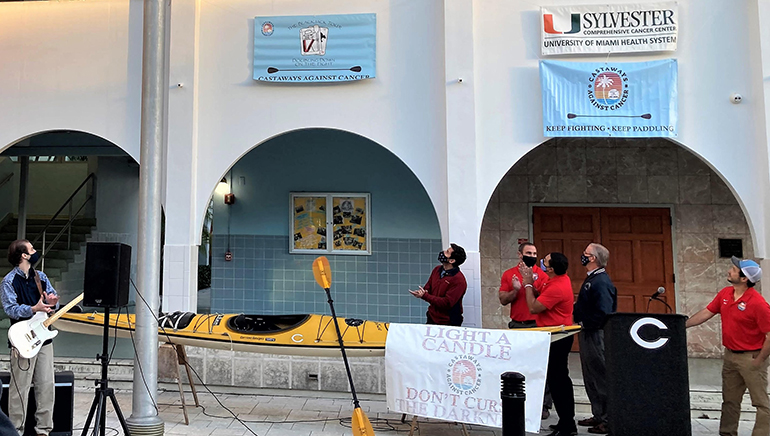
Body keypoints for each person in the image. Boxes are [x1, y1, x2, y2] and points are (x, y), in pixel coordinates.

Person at [686, 256, 770, 436]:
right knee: (730, 400)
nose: (729, 271)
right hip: (730, 356)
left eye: (733, 269)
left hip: (752, 357)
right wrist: (683, 325)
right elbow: (707, 312)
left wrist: (760, 360)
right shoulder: (725, 294)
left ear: (744, 278)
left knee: (760, 402)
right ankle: (727, 433)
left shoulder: (757, 303)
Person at [1, 240, 59, 436]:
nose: (35, 252)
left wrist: (52, 302)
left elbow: (51, 300)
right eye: (32, 249)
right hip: (22, 340)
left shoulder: (40, 276)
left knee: (46, 385)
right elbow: (10, 309)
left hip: (44, 339)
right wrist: (34, 308)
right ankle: (15, 430)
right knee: (20, 388)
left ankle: (44, 430)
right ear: (24, 255)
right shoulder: (9, 281)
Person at [521, 252, 576, 436]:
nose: (542, 262)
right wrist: (530, 282)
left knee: (559, 380)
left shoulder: (558, 286)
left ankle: (568, 425)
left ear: (551, 268)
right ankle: (565, 421)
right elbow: (539, 290)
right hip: (551, 335)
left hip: (559, 337)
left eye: (545, 261)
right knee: (555, 380)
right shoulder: (551, 280)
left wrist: (528, 283)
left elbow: (533, 307)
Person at [499, 241, 552, 418]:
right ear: (520, 255)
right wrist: (515, 290)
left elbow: (545, 299)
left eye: (535, 253)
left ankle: (543, 404)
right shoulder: (509, 274)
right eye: (528, 253)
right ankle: (517, 399)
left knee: (540, 366)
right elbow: (503, 299)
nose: (532, 256)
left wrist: (530, 284)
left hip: (537, 325)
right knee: (517, 364)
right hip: (517, 325)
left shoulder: (543, 275)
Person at [572, 243, 616, 435]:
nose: (583, 256)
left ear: (594, 259)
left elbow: (603, 312)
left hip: (595, 333)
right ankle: (598, 413)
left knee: (600, 375)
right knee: (590, 376)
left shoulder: (601, 282)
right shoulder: (593, 279)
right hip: (587, 331)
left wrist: (586, 323)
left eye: (586, 254)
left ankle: (607, 418)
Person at [410, 243, 467, 326]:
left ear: (451, 261)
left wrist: (425, 296)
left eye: (447, 252)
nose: (443, 252)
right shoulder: (437, 270)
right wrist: (422, 292)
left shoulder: (459, 280)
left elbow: (446, 303)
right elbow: (429, 286)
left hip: (449, 321)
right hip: (432, 317)